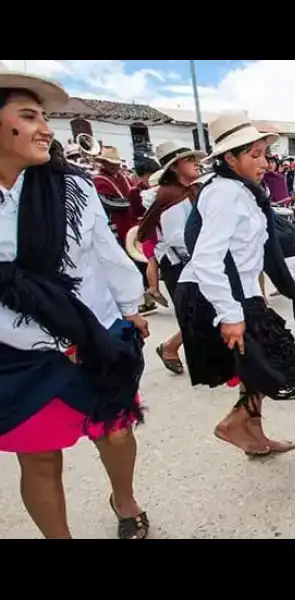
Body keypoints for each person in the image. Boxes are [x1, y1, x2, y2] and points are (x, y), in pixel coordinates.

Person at [0, 65, 150, 538]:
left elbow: (107, 254)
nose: (47, 129)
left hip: (95, 334)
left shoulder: (71, 188)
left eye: (45, 117)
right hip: (19, 351)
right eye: (29, 117)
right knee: (39, 455)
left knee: (117, 431)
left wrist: (132, 310)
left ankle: (123, 497)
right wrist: (46, 337)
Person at [174, 112, 295, 457]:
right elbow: (206, 258)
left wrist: (292, 283)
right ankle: (234, 423)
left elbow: (265, 249)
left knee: (257, 370)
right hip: (219, 294)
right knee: (281, 366)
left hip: (242, 292)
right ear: (230, 158)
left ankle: (255, 436)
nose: (264, 162)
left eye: (265, 154)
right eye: (255, 155)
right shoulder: (223, 194)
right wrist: (230, 314)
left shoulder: (247, 193)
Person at [136, 141, 207, 375]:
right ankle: (170, 347)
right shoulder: (171, 195)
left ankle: (175, 348)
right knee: (194, 312)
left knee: (203, 311)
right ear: (175, 167)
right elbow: (177, 237)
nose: (196, 163)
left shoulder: (190, 190)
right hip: (178, 263)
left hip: (192, 259)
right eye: (189, 160)